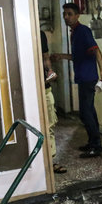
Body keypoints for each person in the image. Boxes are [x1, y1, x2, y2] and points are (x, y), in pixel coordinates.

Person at [52, 2, 102, 158]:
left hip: (88, 78)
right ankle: (93, 143)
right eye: (64, 14)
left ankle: (96, 146)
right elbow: (78, 57)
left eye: (69, 14)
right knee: (90, 112)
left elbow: (96, 51)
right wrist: (61, 56)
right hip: (82, 77)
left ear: (77, 15)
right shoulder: (74, 33)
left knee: (85, 113)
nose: (66, 17)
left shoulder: (83, 31)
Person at [40, 30, 66, 173]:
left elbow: (45, 57)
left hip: (44, 88)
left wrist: (49, 70)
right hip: (27, 90)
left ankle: (50, 162)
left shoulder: (40, 34)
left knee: (48, 125)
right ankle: (34, 165)